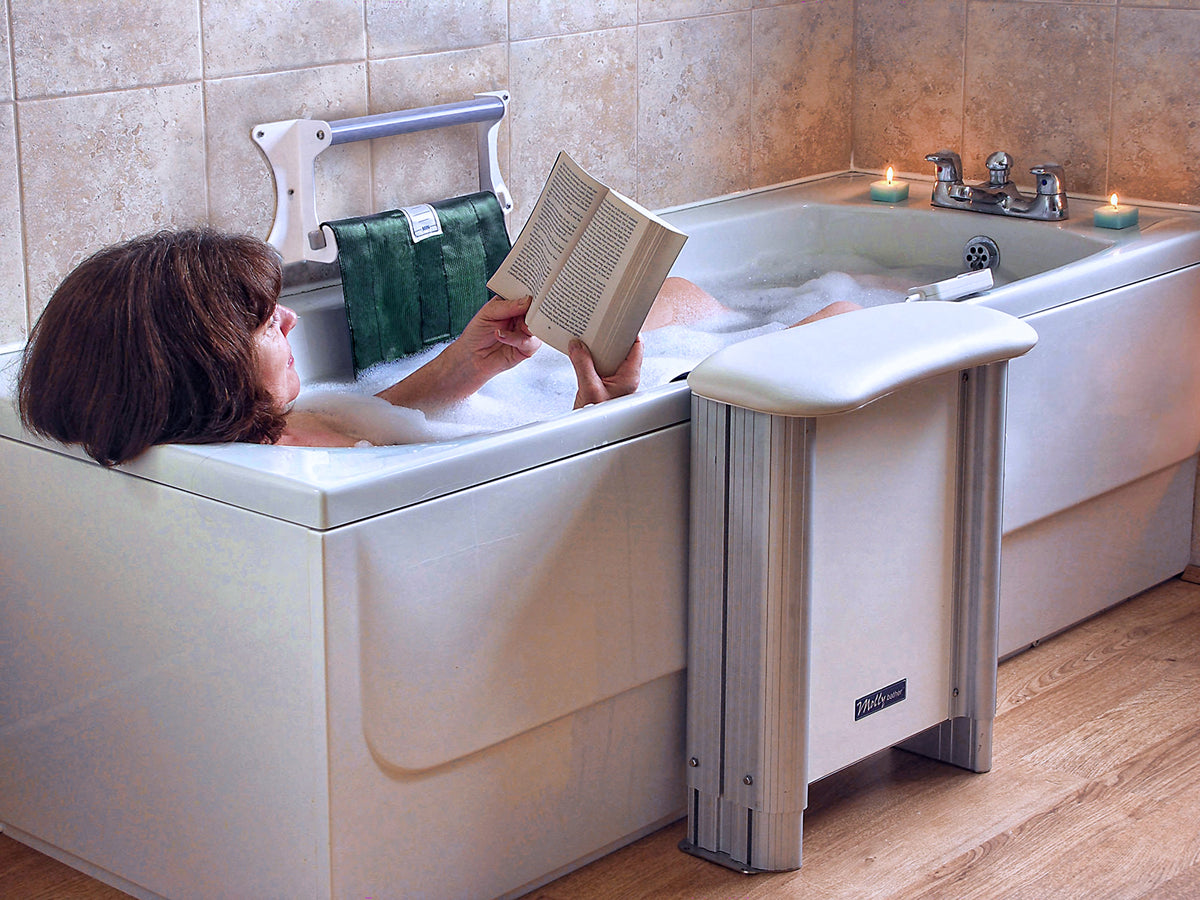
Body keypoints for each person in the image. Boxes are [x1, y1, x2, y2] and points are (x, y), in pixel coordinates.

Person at [15, 228, 658, 465]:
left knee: (676, 293)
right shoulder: (289, 482)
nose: (292, 320)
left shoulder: (259, 431)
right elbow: (497, 504)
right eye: (266, 324)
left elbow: (364, 420)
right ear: (202, 371)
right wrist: (598, 420)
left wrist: (464, 365)